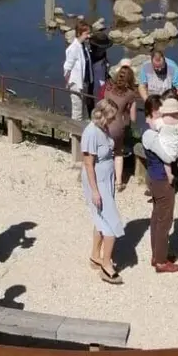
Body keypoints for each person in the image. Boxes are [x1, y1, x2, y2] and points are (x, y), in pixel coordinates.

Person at [80, 101, 124, 284]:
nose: (113, 120)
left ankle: (95, 256)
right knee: (112, 223)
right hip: (97, 180)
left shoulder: (103, 129)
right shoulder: (91, 133)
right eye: (111, 116)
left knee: (101, 218)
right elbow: (88, 164)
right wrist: (95, 191)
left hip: (107, 177)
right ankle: (106, 265)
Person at [141, 95, 178, 273]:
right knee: (164, 219)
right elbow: (169, 156)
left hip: (155, 177)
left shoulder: (157, 133)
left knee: (157, 217)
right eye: (157, 115)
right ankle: (160, 261)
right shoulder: (150, 135)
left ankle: (158, 254)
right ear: (149, 116)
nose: (161, 119)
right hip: (160, 180)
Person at [100, 62, 140, 189]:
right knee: (118, 153)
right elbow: (133, 118)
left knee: (102, 151)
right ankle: (118, 181)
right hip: (117, 127)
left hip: (102, 124)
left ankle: (101, 177)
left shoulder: (108, 88)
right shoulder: (131, 94)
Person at [63, 22, 94, 122]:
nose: (88, 36)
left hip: (83, 83)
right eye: (86, 34)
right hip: (76, 84)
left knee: (82, 110)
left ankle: (79, 134)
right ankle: (74, 136)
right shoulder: (74, 48)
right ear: (79, 33)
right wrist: (68, 82)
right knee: (77, 113)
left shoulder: (83, 46)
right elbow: (67, 67)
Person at [142, 97, 178, 164]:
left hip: (168, 158)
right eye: (158, 108)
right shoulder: (149, 130)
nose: (160, 111)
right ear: (152, 110)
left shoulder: (164, 122)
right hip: (159, 164)